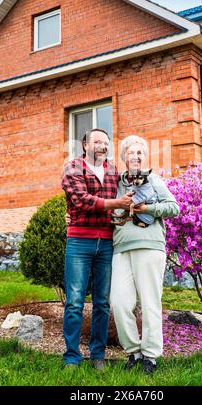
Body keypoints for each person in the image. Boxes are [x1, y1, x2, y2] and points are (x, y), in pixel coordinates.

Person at [61, 128, 133, 370]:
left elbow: (132, 191)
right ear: (85, 144)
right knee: (74, 301)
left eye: (106, 142)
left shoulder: (114, 170)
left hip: (107, 243)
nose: (103, 145)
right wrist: (115, 204)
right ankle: (71, 356)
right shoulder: (73, 168)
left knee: (102, 302)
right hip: (80, 242)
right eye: (97, 141)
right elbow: (82, 201)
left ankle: (98, 355)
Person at [110, 135, 180, 374]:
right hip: (120, 249)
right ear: (124, 157)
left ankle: (150, 357)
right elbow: (102, 206)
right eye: (131, 153)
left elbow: (174, 208)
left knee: (150, 303)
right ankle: (133, 351)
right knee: (119, 302)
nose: (136, 157)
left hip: (150, 247)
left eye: (140, 153)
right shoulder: (116, 184)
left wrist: (148, 208)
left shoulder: (154, 180)